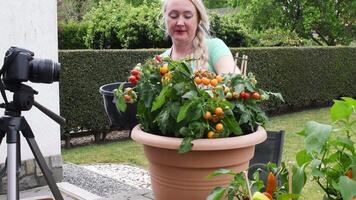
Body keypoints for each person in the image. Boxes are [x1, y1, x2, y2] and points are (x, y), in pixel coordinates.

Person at [160, 0, 240, 75]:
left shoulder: (215, 48)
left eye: (187, 16)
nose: (180, 23)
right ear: (165, 18)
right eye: (173, 16)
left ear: (198, 19)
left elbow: (235, 83)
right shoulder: (159, 61)